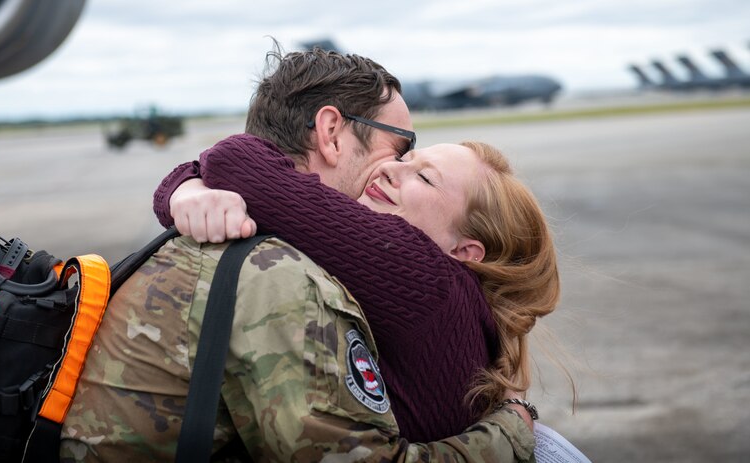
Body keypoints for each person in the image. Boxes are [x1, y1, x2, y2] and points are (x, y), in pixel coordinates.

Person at [60, 47, 537, 462]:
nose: (394, 169)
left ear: (467, 249)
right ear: (330, 132)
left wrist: (184, 187)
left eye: (420, 170)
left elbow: (233, 162)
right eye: (401, 149)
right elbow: (234, 162)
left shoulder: (413, 272)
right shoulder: (280, 273)